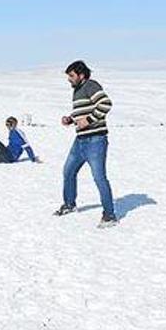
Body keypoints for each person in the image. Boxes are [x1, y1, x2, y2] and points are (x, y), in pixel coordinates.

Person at [55, 60, 116, 227]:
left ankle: (109, 215)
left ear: (81, 75)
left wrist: (88, 120)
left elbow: (105, 104)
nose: (69, 79)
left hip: (96, 140)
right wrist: (71, 119)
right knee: (68, 171)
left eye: (71, 76)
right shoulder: (77, 90)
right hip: (80, 141)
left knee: (99, 177)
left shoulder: (91, 85)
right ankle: (69, 204)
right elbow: (83, 112)